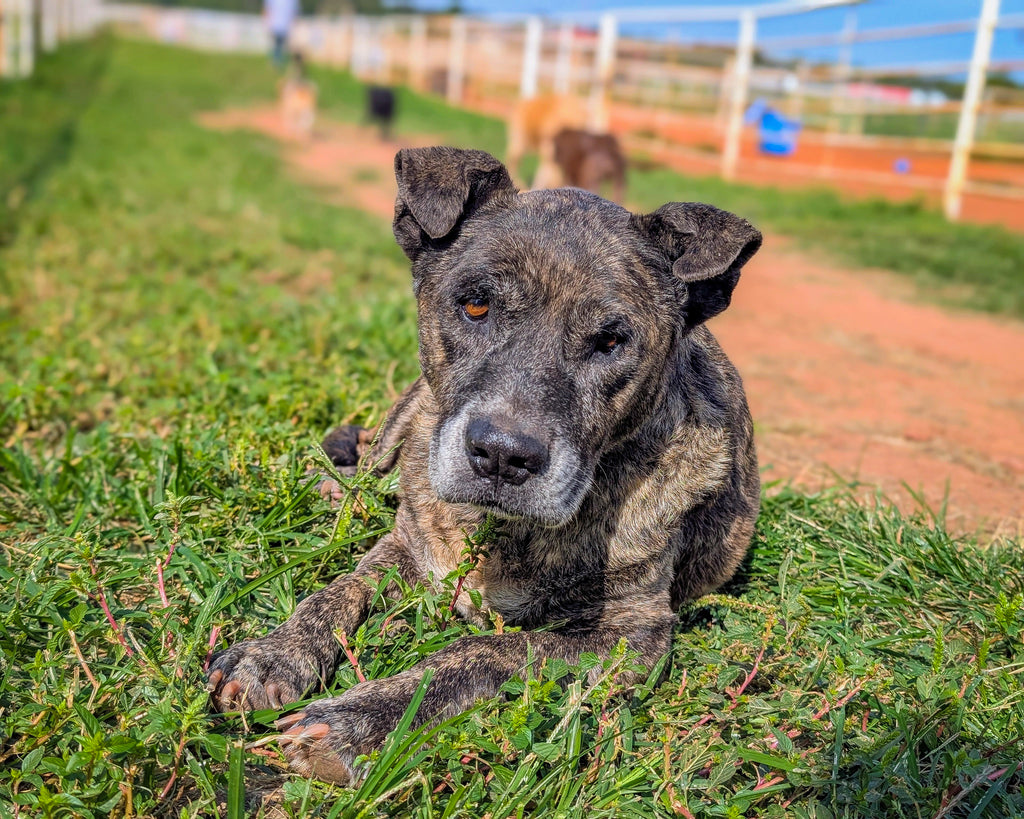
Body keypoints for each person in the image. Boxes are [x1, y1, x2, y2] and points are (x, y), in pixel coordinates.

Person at [264, 0, 299, 69]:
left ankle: (279, 62)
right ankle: (277, 62)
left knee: (282, 46)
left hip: (285, 25)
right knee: (277, 45)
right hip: (277, 25)